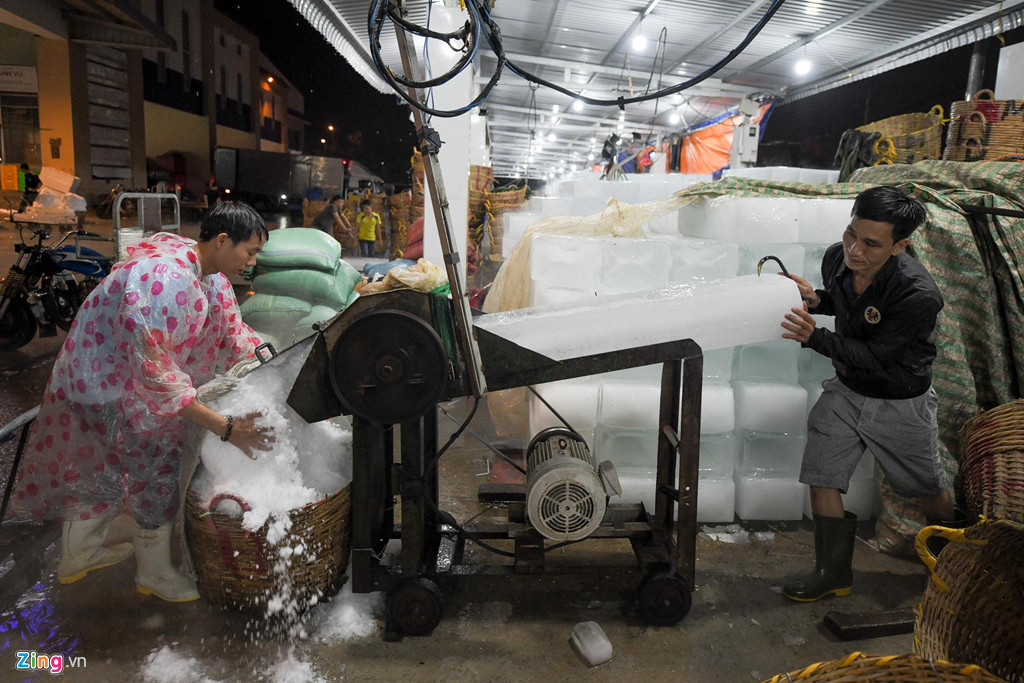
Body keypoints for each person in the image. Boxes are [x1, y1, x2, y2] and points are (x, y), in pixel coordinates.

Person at [10, 201, 276, 603]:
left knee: (106, 466)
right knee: (154, 469)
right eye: (250, 252)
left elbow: (232, 334)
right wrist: (225, 428)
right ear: (223, 241)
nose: (252, 262)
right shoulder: (164, 279)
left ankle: (78, 556)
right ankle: (154, 572)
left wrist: (274, 366)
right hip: (105, 384)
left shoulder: (212, 278)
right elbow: (155, 377)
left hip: (114, 380)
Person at [779, 185, 956, 602]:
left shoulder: (918, 294)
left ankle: (954, 567)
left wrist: (815, 338)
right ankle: (832, 574)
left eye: (871, 244)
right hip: (847, 392)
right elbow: (846, 307)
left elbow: (877, 357)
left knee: (927, 488)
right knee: (822, 473)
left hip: (899, 402)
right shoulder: (837, 258)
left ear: (899, 246)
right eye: (851, 234)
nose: (854, 250)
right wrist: (816, 299)